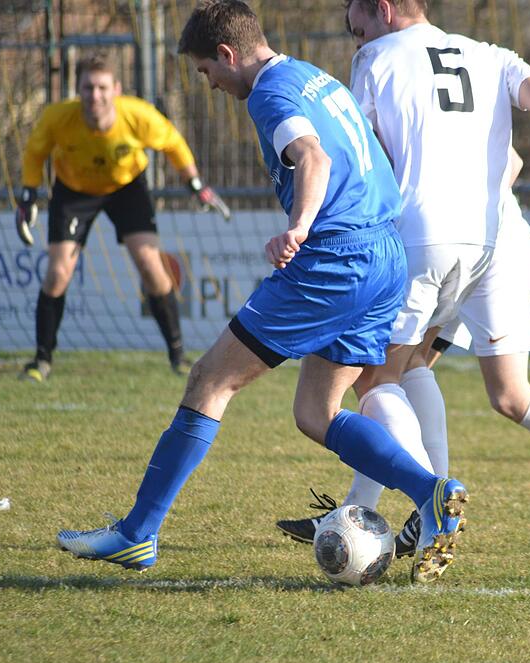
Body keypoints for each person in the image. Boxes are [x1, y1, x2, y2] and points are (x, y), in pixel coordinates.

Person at [55, 0, 467, 584]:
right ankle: (431, 493)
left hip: (335, 258)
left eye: (207, 72)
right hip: (384, 255)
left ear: (227, 54)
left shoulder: (272, 92)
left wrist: (300, 226)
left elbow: (313, 158)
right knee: (316, 412)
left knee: (208, 380)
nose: (212, 85)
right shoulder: (314, 76)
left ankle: (136, 534)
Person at [273, 0, 530, 552]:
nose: (355, 38)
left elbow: (356, 149)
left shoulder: (376, 57)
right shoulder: (487, 55)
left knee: (377, 378)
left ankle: (430, 502)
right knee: (503, 392)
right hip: (496, 240)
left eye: (356, 25)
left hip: (423, 239)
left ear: (381, 9)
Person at [15, 54, 230, 381]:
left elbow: (173, 143)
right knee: (58, 273)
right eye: (87, 87)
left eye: (102, 87)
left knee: (150, 265)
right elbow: (35, 152)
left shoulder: (138, 116)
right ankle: (41, 361)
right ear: (78, 90)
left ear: (116, 89)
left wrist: (195, 184)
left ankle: (178, 356)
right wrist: (28, 195)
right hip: (73, 192)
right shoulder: (58, 117)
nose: (94, 95)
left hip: (127, 188)